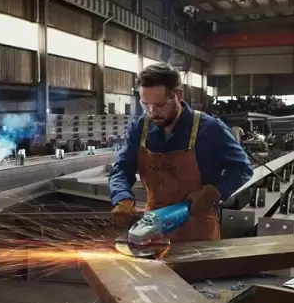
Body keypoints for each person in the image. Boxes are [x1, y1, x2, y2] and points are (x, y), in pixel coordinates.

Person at [108, 62, 253, 242]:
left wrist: (215, 192)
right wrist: (122, 197)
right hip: (152, 228)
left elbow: (243, 169)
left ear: (177, 95)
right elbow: (121, 169)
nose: (152, 113)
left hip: (198, 229)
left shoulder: (210, 129)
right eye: (146, 105)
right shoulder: (139, 128)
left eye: (160, 105)